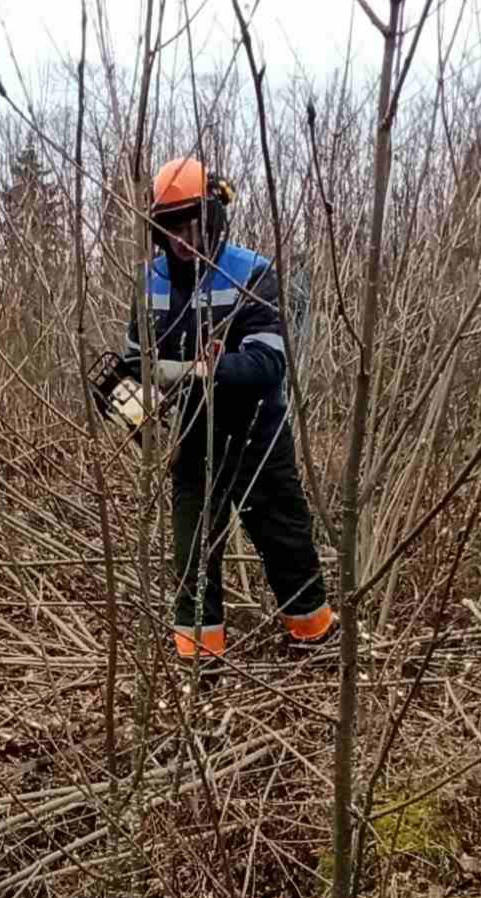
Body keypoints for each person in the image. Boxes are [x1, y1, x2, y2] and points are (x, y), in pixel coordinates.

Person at [121, 155, 335, 663]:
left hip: (255, 431)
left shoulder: (252, 273)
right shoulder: (148, 282)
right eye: (170, 227)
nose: (182, 238)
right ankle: (199, 657)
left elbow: (267, 363)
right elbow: (134, 363)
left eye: (190, 223)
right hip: (191, 436)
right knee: (193, 551)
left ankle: (313, 637)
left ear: (213, 216)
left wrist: (197, 372)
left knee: (284, 537)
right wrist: (136, 410)